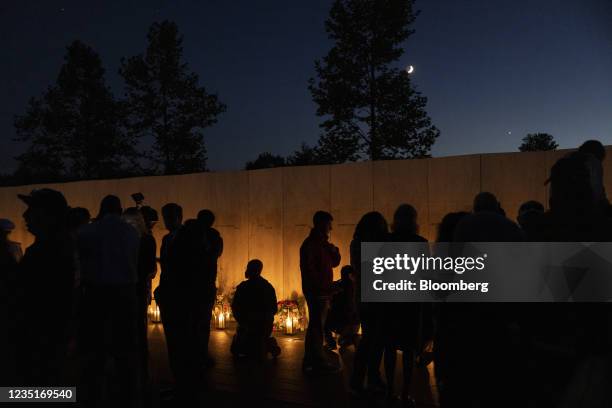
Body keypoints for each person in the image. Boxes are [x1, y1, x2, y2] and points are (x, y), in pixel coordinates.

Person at [77, 195, 141, 406]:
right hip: (125, 292)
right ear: (120, 210)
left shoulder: (88, 231)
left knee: (96, 342)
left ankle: (95, 390)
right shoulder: (131, 232)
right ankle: (126, 389)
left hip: (97, 292)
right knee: (125, 342)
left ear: (101, 209)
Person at [15, 189, 75, 386]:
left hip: (41, 339)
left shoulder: (47, 251)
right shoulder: (59, 246)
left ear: (49, 216)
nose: (25, 215)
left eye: (32, 210)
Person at [384, 204, 430, 404]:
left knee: (390, 347)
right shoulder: (420, 243)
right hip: (411, 301)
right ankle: (405, 392)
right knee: (410, 349)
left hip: (391, 300)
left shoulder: (386, 242)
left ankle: (389, 391)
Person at [350, 211, 389, 393]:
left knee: (369, 338)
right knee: (373, 340)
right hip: (374, 295)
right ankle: (366, 378)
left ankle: (362, 378)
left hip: (363, 295)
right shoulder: (375, 244)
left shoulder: (357, 243)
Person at [300, 210, 341, 373]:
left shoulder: (321, 244)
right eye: (329, 225)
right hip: (318, 291)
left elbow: (334, 262)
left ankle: (311, 359)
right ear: (322, 224)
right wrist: (323, 286)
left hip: (321, 290)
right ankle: (316, 360)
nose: (330, 228)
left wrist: (334, 251)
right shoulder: (311, 244)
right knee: (317, 325)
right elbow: (310, 270)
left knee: (317, 325)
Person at [230, 259, 280, 359]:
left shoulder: (243, 287)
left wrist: (243, 321)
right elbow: (274, 309)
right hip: (263, 328)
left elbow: (235, 308)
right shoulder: (268, 287)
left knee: (236, 348)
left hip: (247, 327)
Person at [196, 209, 223, 368]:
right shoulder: (213, 237)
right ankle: (200, 353)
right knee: (202, 321)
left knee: (201, 321)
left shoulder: (211, 237)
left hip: (202, 283)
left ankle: (199, 352)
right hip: (204, 283)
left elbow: (214, 254)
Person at [324, 265, 359, 351]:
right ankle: (349, 339)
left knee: (324, 320)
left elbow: (334, 304)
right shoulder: (355, 287)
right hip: (354, 323)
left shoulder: (340, 287)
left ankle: (333, 343)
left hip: (343, 323)